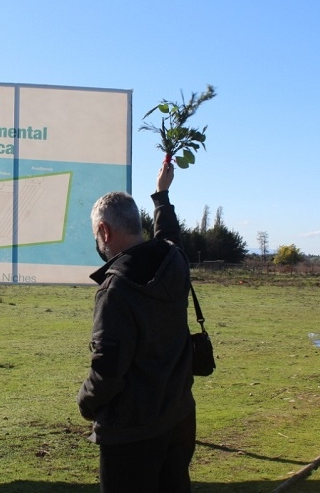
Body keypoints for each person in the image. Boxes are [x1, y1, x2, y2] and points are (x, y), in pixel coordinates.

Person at [77, 161, 196, 493]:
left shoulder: (114, 291)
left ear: (104, 231)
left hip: (131, 434)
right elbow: (170, 238)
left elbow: (107, 369)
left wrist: (86, 402)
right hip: (179, 416)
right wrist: (162, 194)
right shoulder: (173, 262)